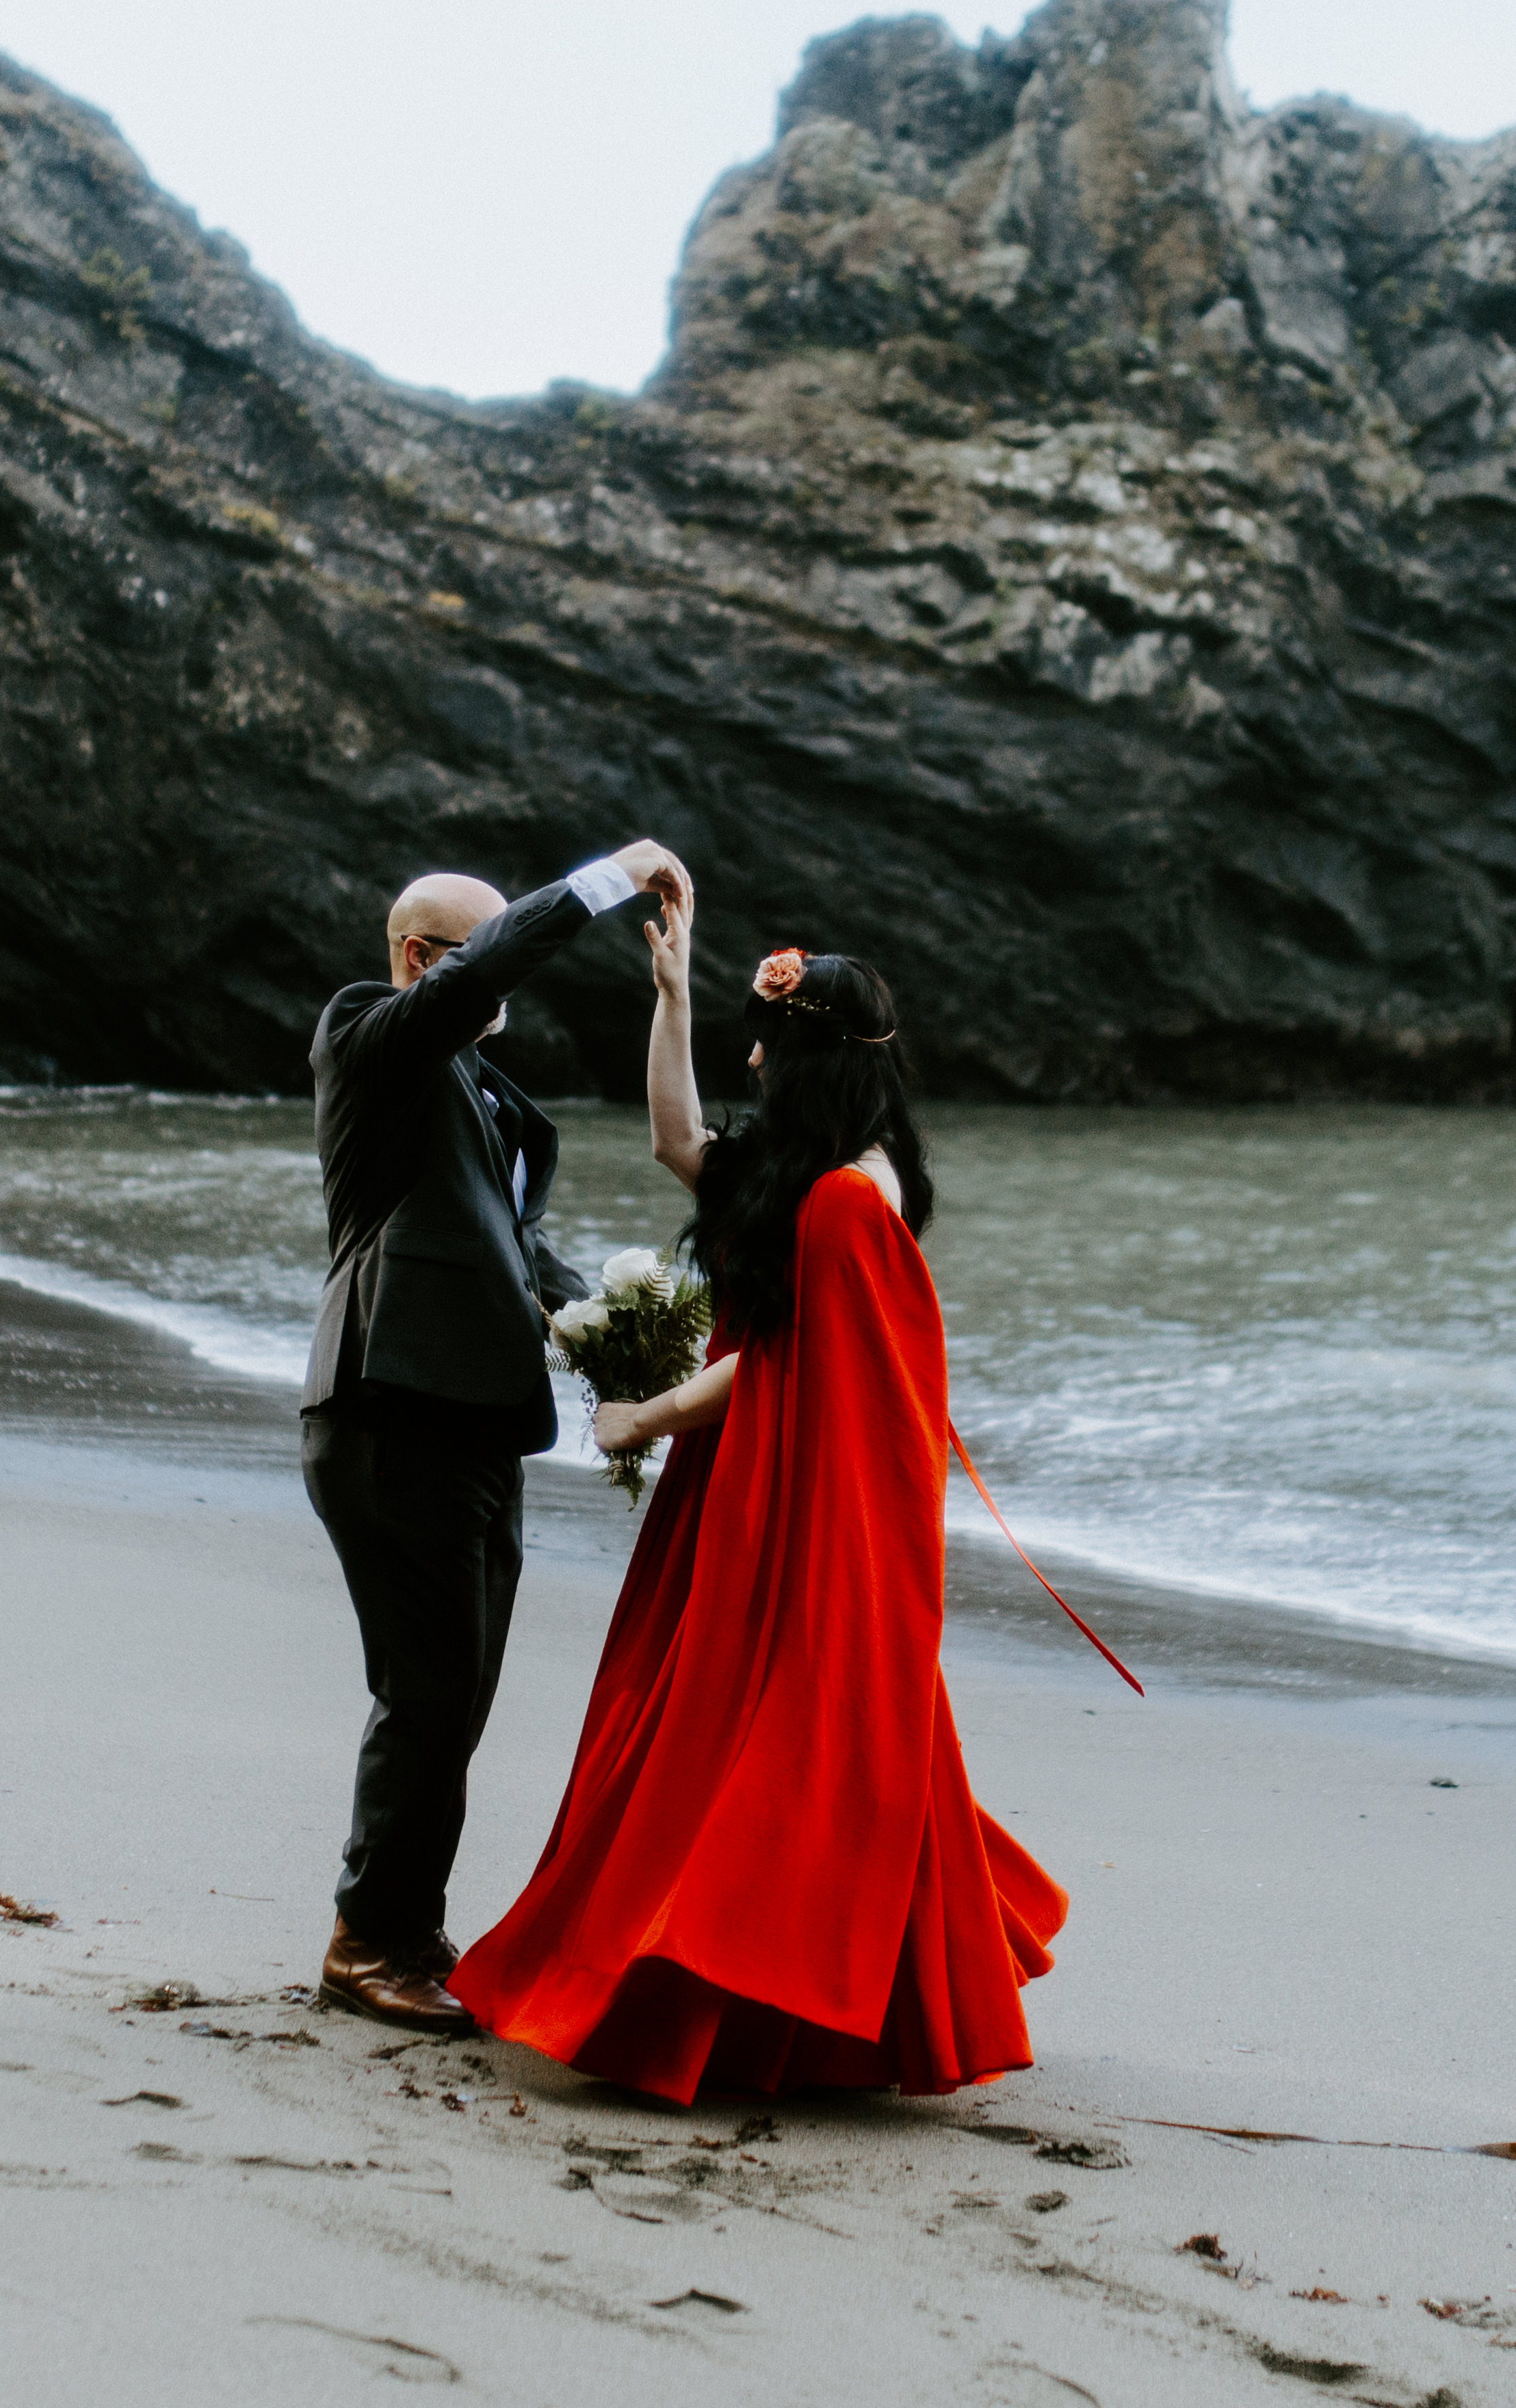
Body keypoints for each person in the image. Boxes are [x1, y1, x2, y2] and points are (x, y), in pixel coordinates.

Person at [444, 898, 1067, 2102]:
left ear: (811, 1059)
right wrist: (670, 996)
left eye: (764, 1041)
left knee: (748, 1740)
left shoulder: (849, 1202)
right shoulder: (806, 1175)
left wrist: (646, 1414)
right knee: (716, 1728)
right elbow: (677, 1141)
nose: (749, 1060)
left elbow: (792, 1366)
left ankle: (726, 1993)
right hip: (756, 1482)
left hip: (797, 1501)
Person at [302, 839, 690, 2035]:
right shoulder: (370, 1034)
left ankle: (404, 1922)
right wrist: (601, 876)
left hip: (475, 1422)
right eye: (471, 952)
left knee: (458, 1691)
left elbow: (516, 1255)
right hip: (388, 1405)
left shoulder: (481, 1098)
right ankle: (370, 1938)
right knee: (425, 1688)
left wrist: (641, 1336)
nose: (492, 976)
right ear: (422, 958)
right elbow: (477, 980)